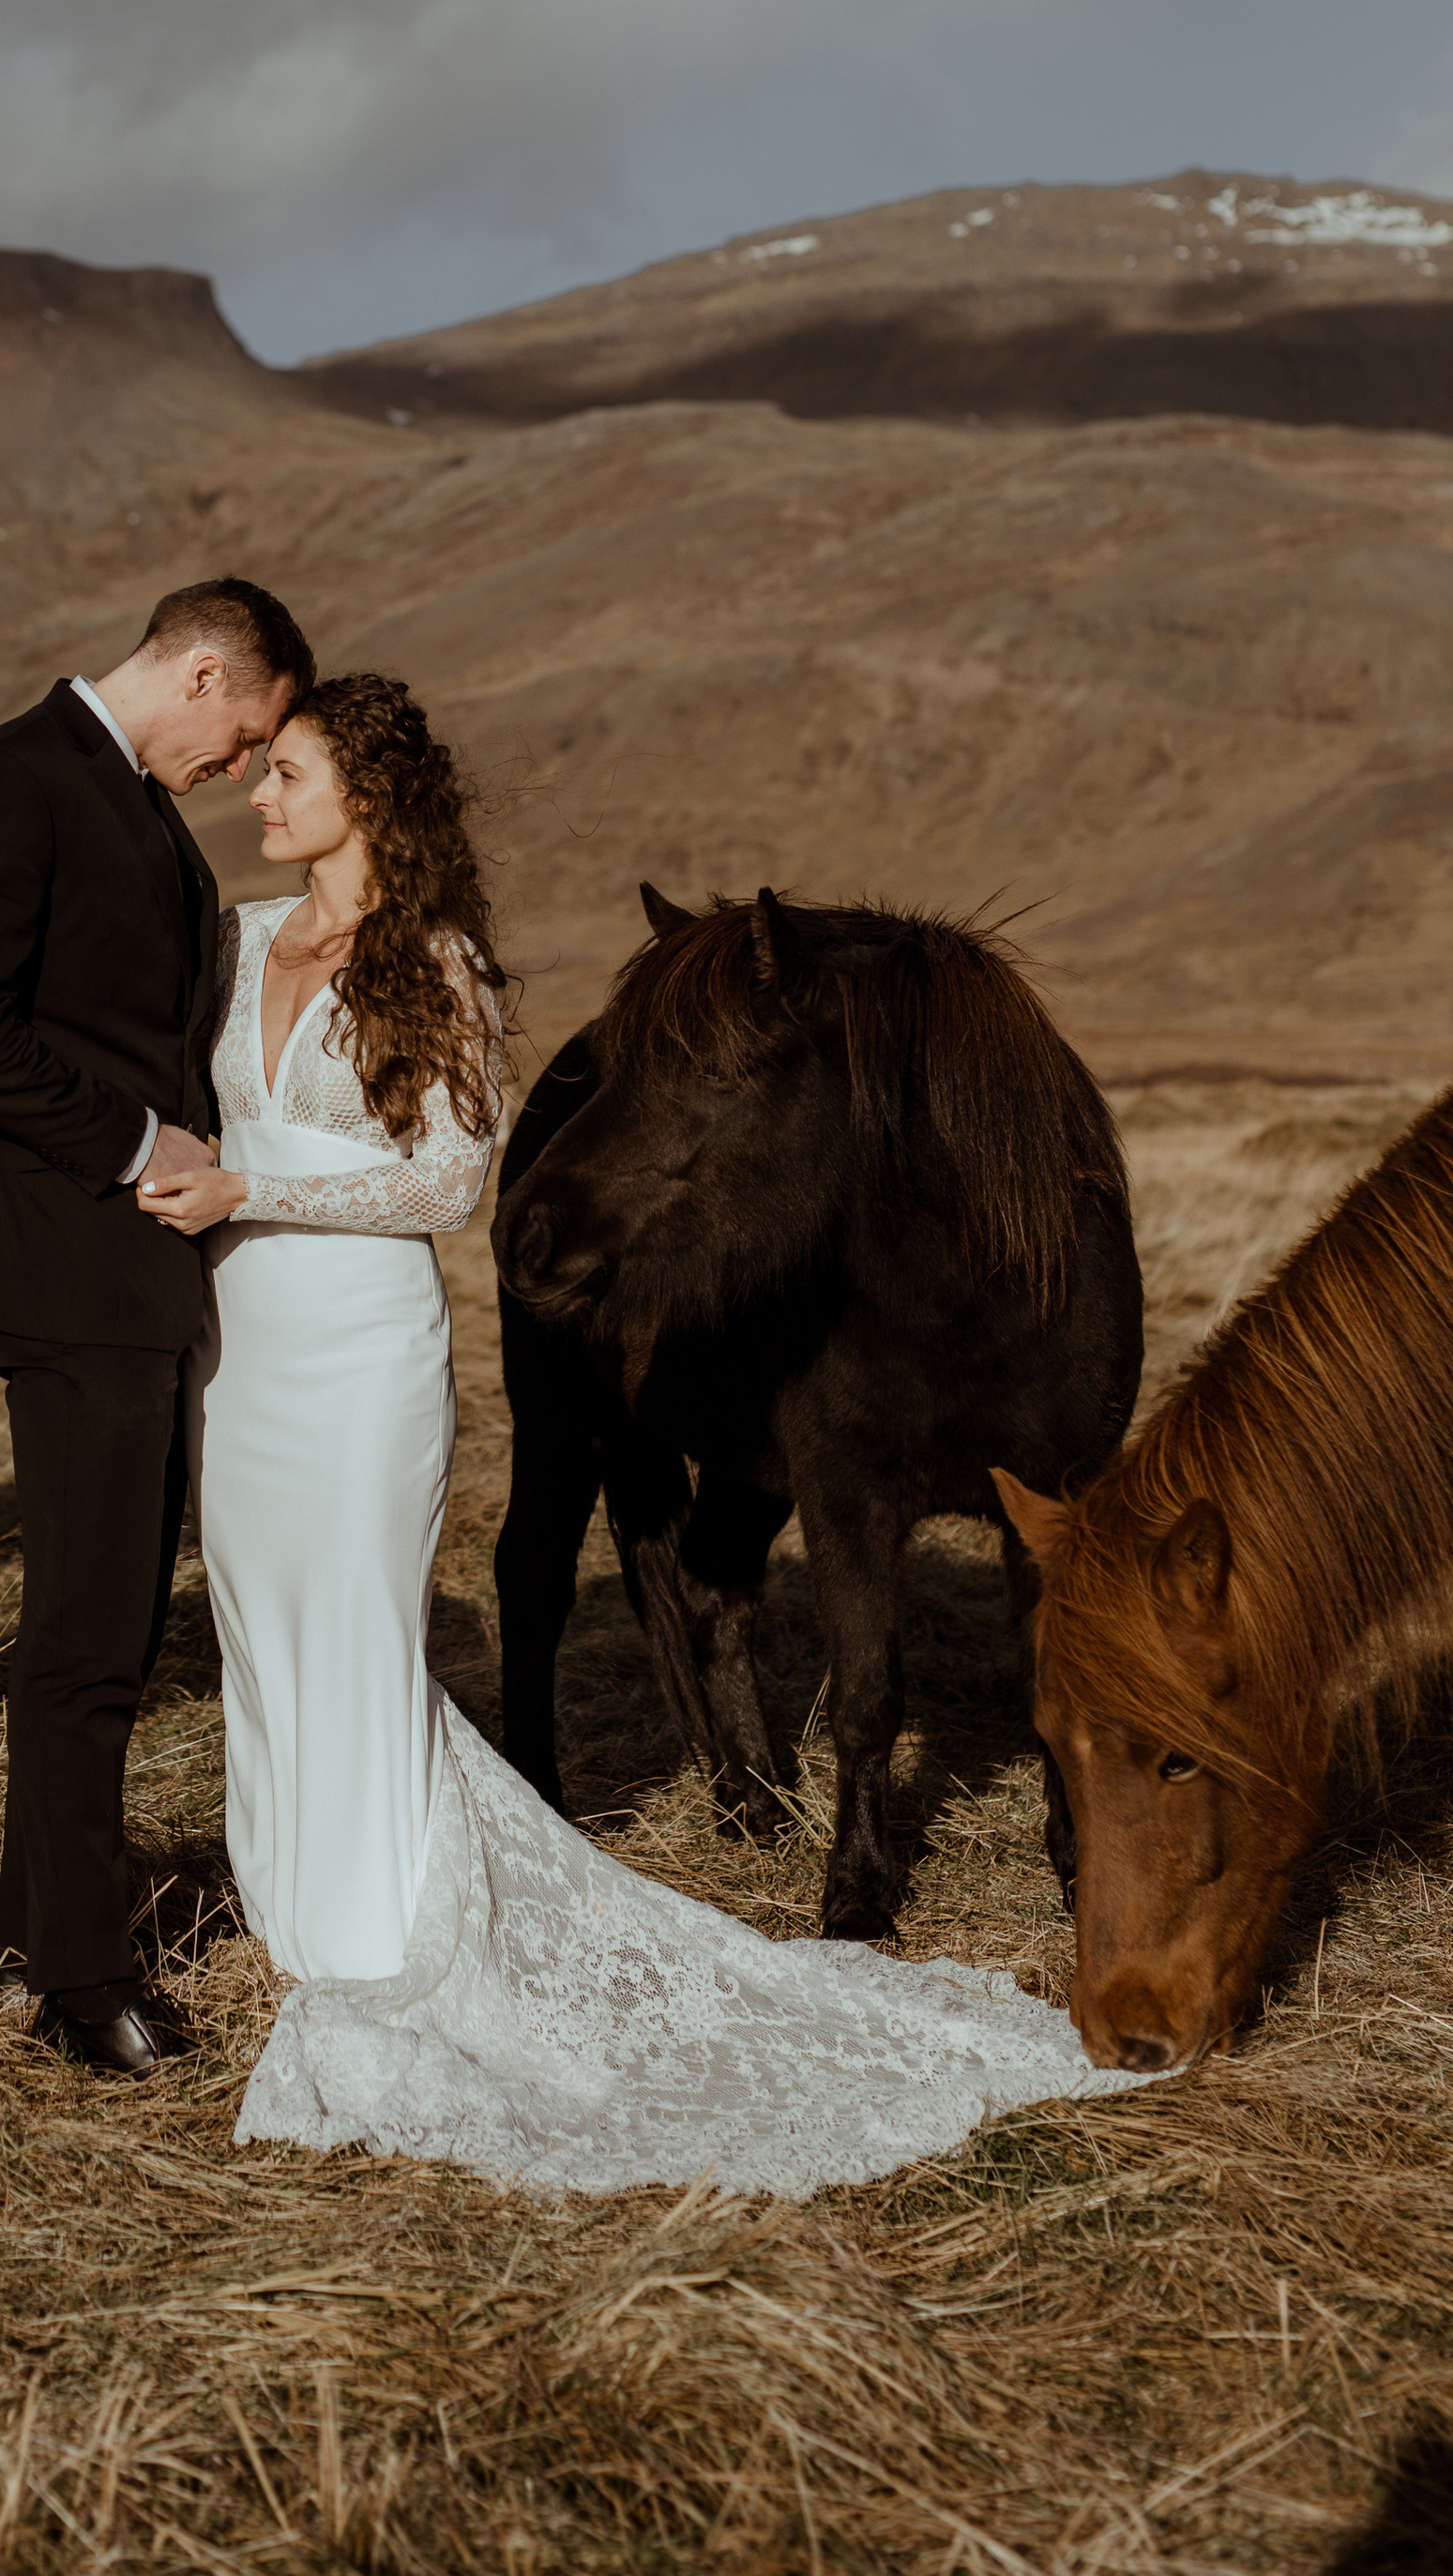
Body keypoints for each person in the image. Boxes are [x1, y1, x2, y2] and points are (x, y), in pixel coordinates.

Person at [141, 673, 1149, 2196]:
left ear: (370, 797)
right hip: (247, 1350)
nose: (255, 796)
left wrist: (250, 1192)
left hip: (347, 1344)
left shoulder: (442, 967)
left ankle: (381, 1916)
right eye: (261, 770)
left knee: (350, 1624)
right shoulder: (232, 941)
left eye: (286, 771)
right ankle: (296, 1900)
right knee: (261, 1629)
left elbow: (441, 1183)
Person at [0, 576, 312, 2076]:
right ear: (204, 672)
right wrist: (142, 1146)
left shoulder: (125, 796)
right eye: (247, 733)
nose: (240, 769)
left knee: (110, 1623)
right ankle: (82, 1981)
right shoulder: (15, 781)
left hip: (120, 1276)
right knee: (88, 1639)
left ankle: (35, 1933)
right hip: (67, 1266)